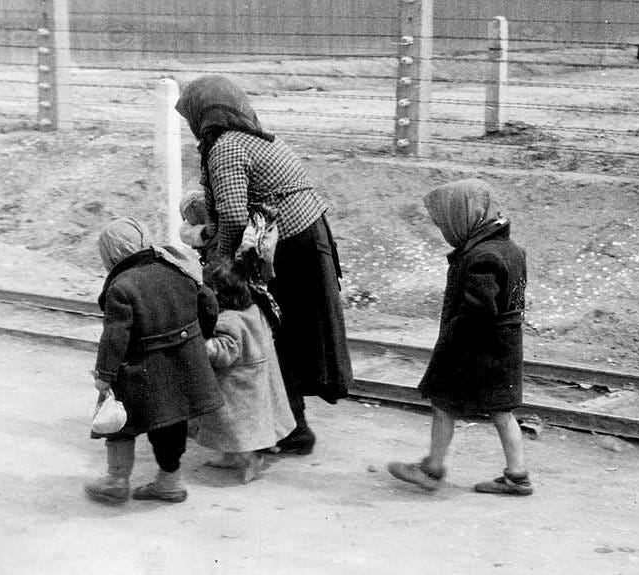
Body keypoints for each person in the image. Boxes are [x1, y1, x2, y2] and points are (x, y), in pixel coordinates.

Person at [175, 75, 354, 455]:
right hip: (305, 240)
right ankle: (290, 426)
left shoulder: (225, 147)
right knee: (284, 336)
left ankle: (288, 429)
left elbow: (234, 218)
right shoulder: (255, 138)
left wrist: (219, 268)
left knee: (272, 335)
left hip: (288, 249)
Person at [387, 179, 533, 496]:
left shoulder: (481, 258)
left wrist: (453, 334)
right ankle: (518, 475)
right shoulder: (512, 250)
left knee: (442, 404)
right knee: (502, 411)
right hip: (506, 345)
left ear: (464, 218)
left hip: (473, 349)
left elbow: (479, 312)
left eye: (447, 222)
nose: (446, 230)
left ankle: (432, 469)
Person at [84, 216, 224, 505]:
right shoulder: (175, 266)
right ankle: (169, 482)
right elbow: (209, 302)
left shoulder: (120, 287)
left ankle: (116, 481)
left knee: (120, 423)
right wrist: (197, 340)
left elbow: (115, 337)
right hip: (184, 364)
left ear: (111, 254)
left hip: (139, 371)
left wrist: (104, 375)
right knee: (171, 424)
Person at [189, 258, 296, 483]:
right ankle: (230, 456)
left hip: (238, 387)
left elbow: (225, 351)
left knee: (239, 428)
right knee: (233, 428)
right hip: (256, 378)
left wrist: (202, 345)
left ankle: (252, 458)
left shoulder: (227, 321)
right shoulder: (254, 308)